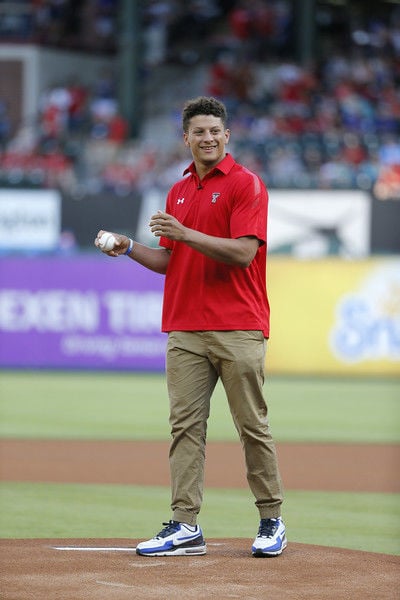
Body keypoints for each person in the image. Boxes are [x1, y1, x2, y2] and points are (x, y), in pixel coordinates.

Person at [94, 96, 286, 558]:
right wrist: (129, 246)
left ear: (227, 136)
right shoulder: (177, 190)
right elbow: (169, 261)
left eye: (215, 131)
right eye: (198, 132)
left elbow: (243, 253)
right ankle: (185, 525)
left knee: (251, 427)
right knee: (185, 429)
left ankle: (271, 520)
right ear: (186, 138)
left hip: (238, 326)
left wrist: (184, 234)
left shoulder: (246, 184)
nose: (208, 138)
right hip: (184, 328)